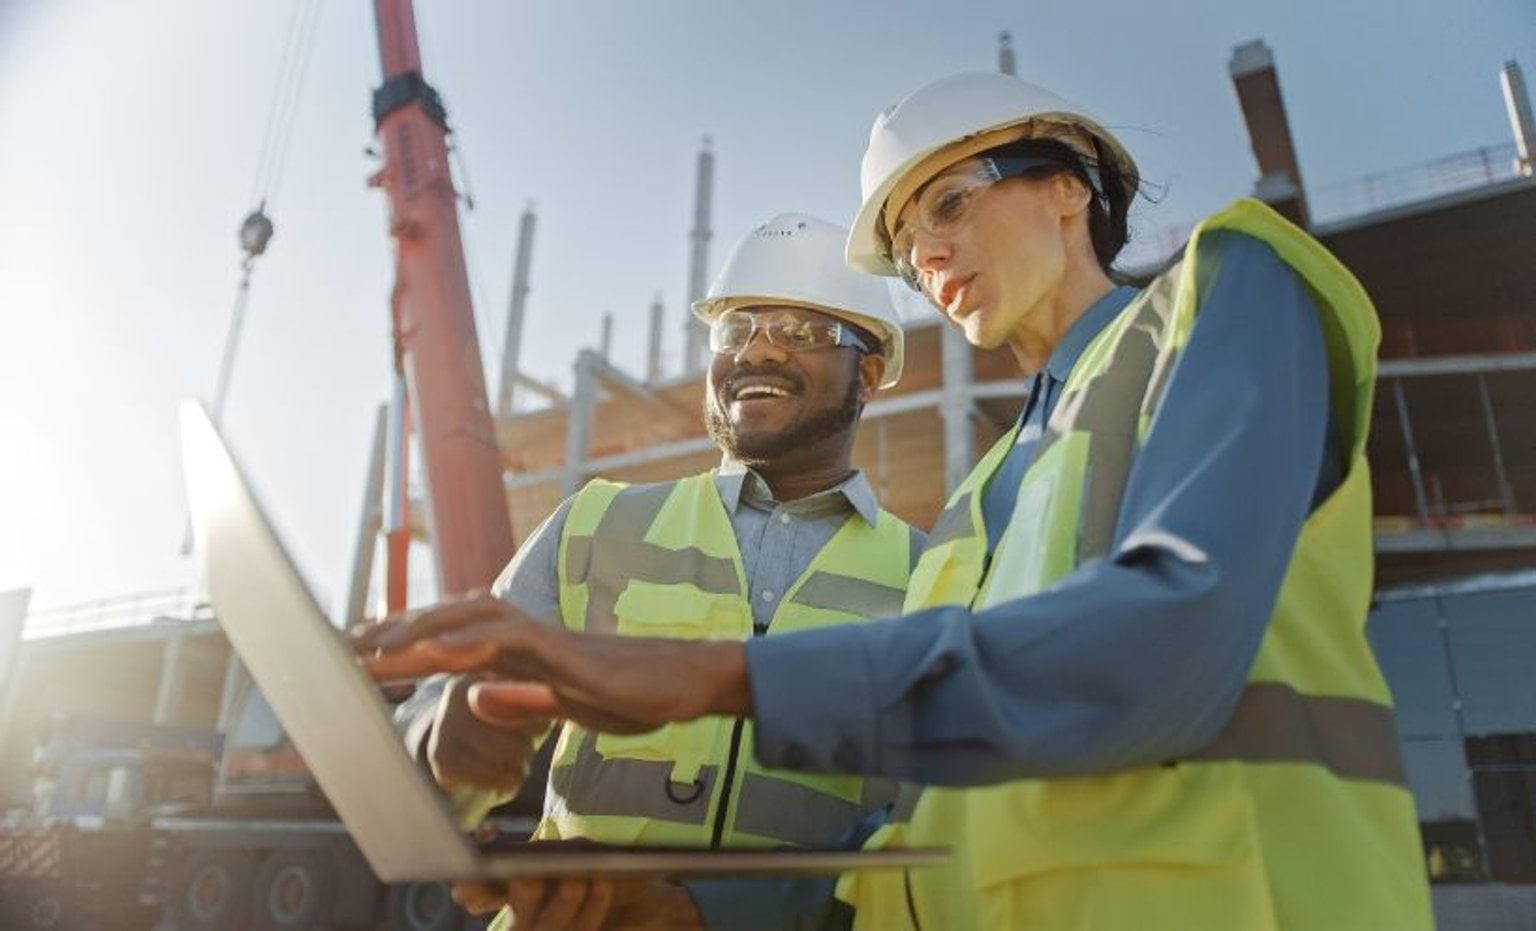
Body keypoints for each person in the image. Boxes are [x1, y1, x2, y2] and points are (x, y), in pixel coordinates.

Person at [361, 73, 1433, 930]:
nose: (931, 252)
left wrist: (702, 673)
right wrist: (685, 908)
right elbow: (901, 833)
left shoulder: (1224, 292)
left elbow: (1163, 647)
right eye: (912, 241)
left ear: (1069, 185)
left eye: (952, 203)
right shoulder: (973, 514)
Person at [379, 212, 920, 931]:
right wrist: (438, 746)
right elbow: (447, 703)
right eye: (736, 331)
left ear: (870, 373)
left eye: (798, 332)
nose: (758, 352)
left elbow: (922, 829)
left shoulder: (931, 574)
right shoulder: (596, 525)